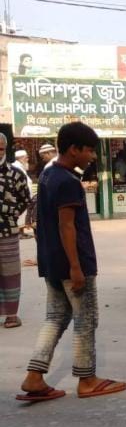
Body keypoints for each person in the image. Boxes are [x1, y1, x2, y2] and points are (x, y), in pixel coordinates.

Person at [17, 122, 126, 403]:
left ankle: (34, 376)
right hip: (72, 262)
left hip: (52, 262)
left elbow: (46, 222)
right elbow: (67, 227)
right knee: (86, 319)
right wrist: (77, 269)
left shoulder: (48, 175)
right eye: (88, 150)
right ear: (73, 149)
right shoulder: (67, 181)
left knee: (55, 318)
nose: (92, 155)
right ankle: (87, 379)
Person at [0, 133, 29, 329]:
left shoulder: (14, 174)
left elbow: (26, 199)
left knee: (10, 273)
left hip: (7, 231)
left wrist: (10, 214)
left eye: (0, 149)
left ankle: (11, 315)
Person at [12, 150, 34, 234]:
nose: (27, 159)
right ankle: (19, 233)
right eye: (26, 158)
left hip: (24, 196)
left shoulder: (21, 166)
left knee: (23, 215)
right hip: (19, 197)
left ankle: (21, 232)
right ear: (21, 158)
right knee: (20, 215)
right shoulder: (16, 167)